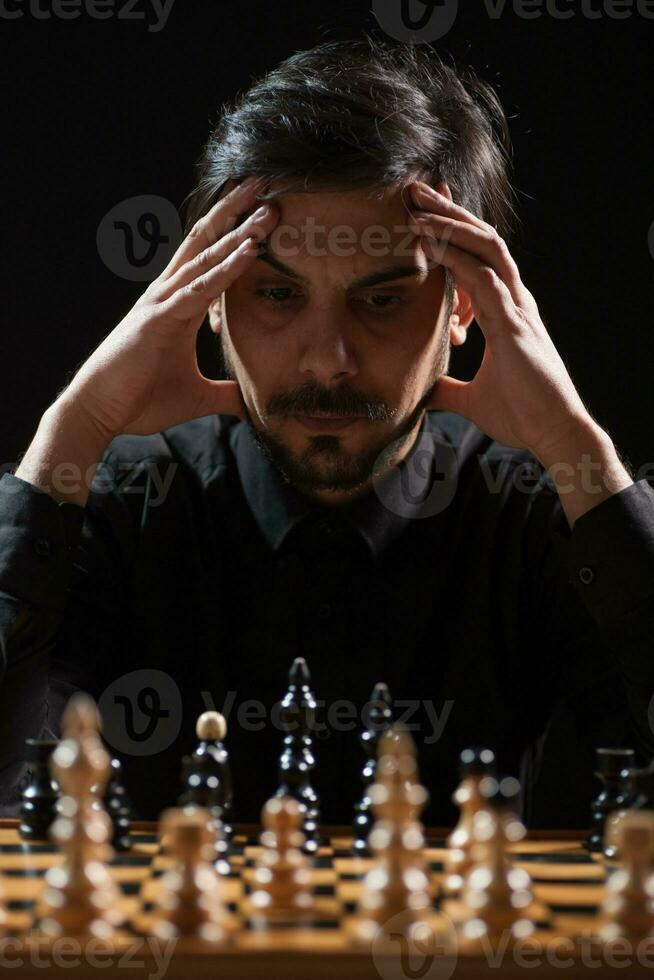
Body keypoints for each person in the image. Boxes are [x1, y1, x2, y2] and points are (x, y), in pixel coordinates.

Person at [1, 35, 653, 827]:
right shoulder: (110, 514)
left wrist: (580, 455)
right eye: (276, 293)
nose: (329, 361)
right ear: (208, 296)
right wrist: (71, 433)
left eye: (382, 299)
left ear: (464, 308)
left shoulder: (546, 524)